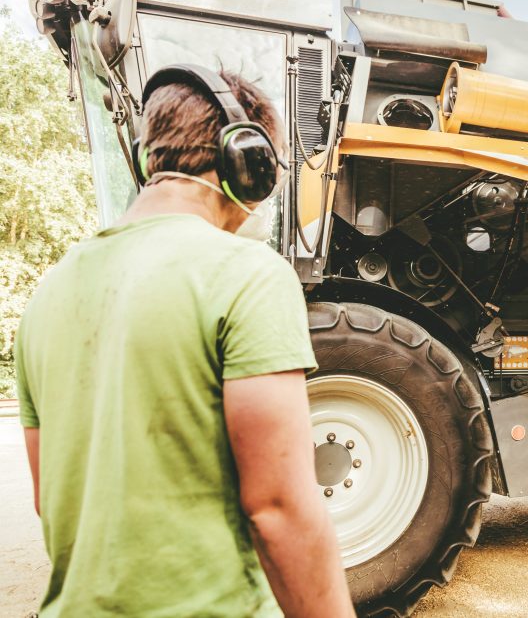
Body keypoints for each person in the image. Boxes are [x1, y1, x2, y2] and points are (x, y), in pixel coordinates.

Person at [16, 64, 356, 617]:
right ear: (248, 166)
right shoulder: (248, 273)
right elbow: (279, 509)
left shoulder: (48, 292)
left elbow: (47, 498)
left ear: (142, 159)